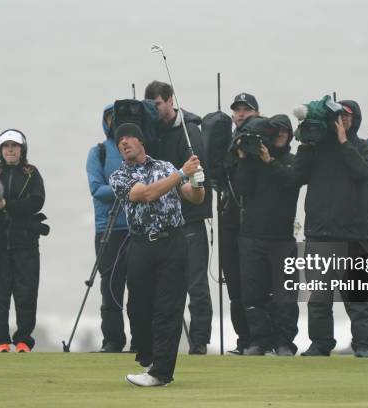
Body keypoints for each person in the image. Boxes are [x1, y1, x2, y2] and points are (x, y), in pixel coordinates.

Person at [110, 123, 205, 387]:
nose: (123, 143)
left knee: (168, 309)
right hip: (141, 245)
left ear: (141, 141)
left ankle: (161, 372)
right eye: (119, 141)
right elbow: (146, 194)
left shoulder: (165, 167)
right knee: (137, 308)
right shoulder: (119, 176)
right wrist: (181, 173)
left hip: (173, 243)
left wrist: (197, 181)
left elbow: (194, 197)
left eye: (128, 138)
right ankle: (150, 356)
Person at [294, 99, 368, 357]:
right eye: (340, 116)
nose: (344, 120)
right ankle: (320, 343)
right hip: (319, 233)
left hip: (354, 234)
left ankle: (363, 344)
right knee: (319, 298)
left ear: (356, 119)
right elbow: (297, 177)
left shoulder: (363, 148)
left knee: (357, 298)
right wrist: (306, 145)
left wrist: (343, 142)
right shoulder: (317, 148)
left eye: (349, 116)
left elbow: (362, 172)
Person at [144, 81, 213, 354]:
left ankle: (199, 343)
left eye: (158, 105)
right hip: (161, 219)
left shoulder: (190, 131)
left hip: (190, 217)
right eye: (151, 106)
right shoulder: (151, 133)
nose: (155, 110)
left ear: (170, 100)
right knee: (163, 287)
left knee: (195, 285)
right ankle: (162, 342)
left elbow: (198, 175)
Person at [235, 115, 300, 356]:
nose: (281, 134)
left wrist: (269, 161)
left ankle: (284, 342)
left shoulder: (294, 161)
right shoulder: (253, 162)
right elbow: (242, 189)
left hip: (282, 238)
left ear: (291, 135)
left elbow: (291, 182)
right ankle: (259, 341)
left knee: (285, 296)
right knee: (253, 294)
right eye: (277, 130)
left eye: (286, 130)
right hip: (252, 236)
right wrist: (243, 159)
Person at [0, 129, 47, 353]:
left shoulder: (32, 172)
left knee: (26, 292)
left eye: (14, 146)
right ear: (0, 149)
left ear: (22, 149)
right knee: (0, 294)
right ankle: (0, 341)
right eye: (6, 146)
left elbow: (36, 202)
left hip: (25, 242)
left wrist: (6, 205)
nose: (10, 149)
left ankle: (23, 340)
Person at [214, 92, 260, 354]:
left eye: (247, 110)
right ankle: (243, 340)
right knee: (234, 285)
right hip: (229, 219)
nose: (241, 114)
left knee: (254, 285)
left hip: (254, 223)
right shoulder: (227, 141)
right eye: (237, 110)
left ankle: (260, 339)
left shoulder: (260, 139)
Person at [85, 104, 134, 352]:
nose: (115, 123)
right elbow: (96, 190)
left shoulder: (140, 151)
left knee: (140, 287)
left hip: (137, 227)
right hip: (109, 228)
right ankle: (113, 340)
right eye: (110, 118)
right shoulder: (100, 152)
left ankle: (141, 340)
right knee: (111, 287)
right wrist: (128, 189)